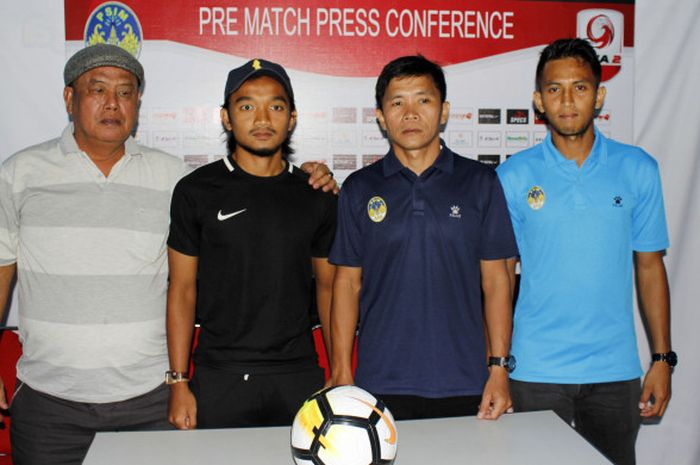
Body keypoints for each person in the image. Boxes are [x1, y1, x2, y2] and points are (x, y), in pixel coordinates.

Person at [0, 45, 336, 464]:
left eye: (125, 92)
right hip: (50, 405)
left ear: (138, 103)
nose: (112, 103)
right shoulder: (19, 174)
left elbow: (254, 195)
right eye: (97, 90)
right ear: (70, 99)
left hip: (149, 402)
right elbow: (1, 272)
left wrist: (311, 176)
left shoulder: (176, 180)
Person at [496, 38, 674, 465]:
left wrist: (663, 359)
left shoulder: (638, 169)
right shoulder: (513, 176)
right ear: (539, 100)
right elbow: (499, 277)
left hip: (615, 370)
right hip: (535, 370)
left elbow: (650, 267)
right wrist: (498, 366)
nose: (568, 100)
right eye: (554, 89)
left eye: (580, 87)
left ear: (599, 94)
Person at [328, 55, 518, 421]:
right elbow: (347, 284)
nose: (410, 113)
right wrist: (342, 371)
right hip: (379, 382)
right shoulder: (359, 188)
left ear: (444, 111)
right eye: (397, 103)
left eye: (423, 100)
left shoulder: (480, 182)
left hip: (466, 381)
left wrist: (498, 369)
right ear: (381, 117)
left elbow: (497, 281)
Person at [166, 58, 337, 430]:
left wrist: (340, 370)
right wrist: (179, 380)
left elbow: (329, 287)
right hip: (219, 375)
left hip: (298, 375)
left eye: (275, 106)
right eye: (246, 106)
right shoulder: (196, 191)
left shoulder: (317, 194)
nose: (262, 119)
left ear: (292, 118)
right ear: (226, 117)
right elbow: (180, 290)